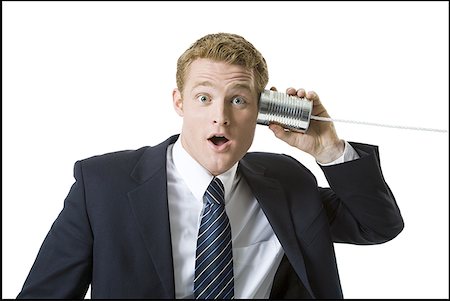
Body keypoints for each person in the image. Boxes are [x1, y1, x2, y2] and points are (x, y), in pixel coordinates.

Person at [17, 32, 404, 299]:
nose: (220, 117)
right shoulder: (102, 185)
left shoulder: (286, 181)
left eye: (238, 100)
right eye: (204, 98)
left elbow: (377, 225)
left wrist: (328, 148)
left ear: (261, 110)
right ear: (179, 102)